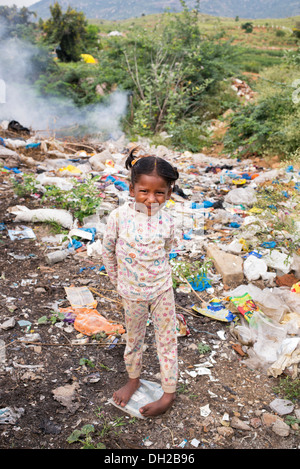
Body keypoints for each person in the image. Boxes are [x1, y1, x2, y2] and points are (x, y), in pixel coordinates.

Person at [102, 148, 179, 417]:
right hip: (131, 293)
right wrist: (118, 282)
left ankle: (168, 392)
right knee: (134, 339)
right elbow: (108, 251)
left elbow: (167, 249)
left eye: (160, 192)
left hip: (161, 290)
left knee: (167, 340)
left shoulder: (168, 219)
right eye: (144, 191)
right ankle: (133, 379)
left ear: (170, 192)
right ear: (131, 188)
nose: (151, 199)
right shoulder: (118, 218)